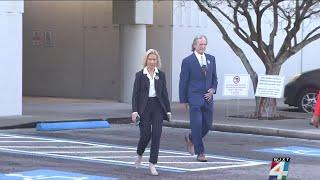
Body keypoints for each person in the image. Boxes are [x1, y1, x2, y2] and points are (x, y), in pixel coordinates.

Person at [131, 49, 171, 176]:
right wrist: (134, 111)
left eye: (154, 60)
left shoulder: (161, 75)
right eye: (150, 59)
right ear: (146, 60)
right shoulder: (140, 75)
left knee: (157, 135)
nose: (152, 62)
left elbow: (164, 93)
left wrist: (168, 110)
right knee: (146, 134)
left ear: (157, 61)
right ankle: (139, 154)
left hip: (158, 107)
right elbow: (135, 95)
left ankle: (152, 164)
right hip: (144, 107)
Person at [179, 35, 218, 162]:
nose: (203, 47)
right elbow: (183, 82)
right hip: (194, 98)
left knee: (207, 125)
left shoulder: (211, 59)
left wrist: (213, 90)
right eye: (200, 44)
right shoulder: (187, 61)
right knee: (196, 125)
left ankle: (190, 138)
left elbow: (214, 79)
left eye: (204, 44)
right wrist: (183, 100)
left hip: (208, 98)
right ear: (194, 45)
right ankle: (200, 152)